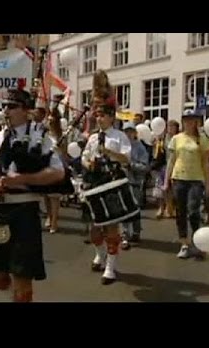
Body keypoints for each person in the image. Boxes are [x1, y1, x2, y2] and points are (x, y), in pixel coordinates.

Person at [0, 88, 65, 302]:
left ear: (26, 110)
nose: (6, 110)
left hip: (23, 210)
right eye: (3, 106)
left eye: (12, 106)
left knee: (23, 279)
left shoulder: (40, 138)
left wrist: (22, 179)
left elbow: (58, 172)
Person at [81, 94, 131, 284]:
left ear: (111, 117)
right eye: (97, 115)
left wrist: (109, 152)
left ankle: (110, 266)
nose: (99, 118)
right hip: (94, 182)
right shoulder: (93, 137)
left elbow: (126, 159)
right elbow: (84, 157)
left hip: (112, 183)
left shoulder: (120, 136)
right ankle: (99, 254)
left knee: (111, 227)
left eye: (103, 115)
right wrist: (88, 163)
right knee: (94, 228)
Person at [164, 109, 209, 260]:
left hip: (196, 179)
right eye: (186, 120)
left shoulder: (202, 139)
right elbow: (171, 161)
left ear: (196, 122)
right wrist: (166, 181)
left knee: (194, 211)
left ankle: (198, 242)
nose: (189, 123)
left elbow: (206, 163)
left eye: (192, 120)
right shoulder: (177, 138)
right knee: (181, 211)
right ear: (183, 122)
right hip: (179, 178)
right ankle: (184, 243)